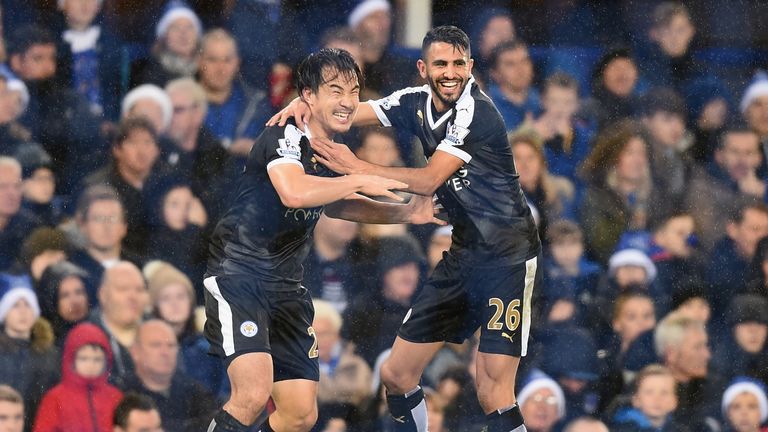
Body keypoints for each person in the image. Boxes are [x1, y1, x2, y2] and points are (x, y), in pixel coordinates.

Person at [272, 25, 543, 432]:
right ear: (423, 68)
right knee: (397, 375)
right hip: (464, 252)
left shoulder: (478, 112)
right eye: (440, 63)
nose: (450, 72)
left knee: (492, 390)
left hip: (508, 256)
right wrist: (306, 103)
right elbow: (349, 111)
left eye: (458, 64)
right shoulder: (412, 102)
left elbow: (429, 180)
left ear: (469, 67)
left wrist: (357, 167)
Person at [204, 48, 438, 432]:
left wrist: (408, 212)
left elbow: (340, 206)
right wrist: (360, 177)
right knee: (251, 394)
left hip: (286, 287)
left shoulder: (331, 150)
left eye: (354, 91)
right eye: (335, 91)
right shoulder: (285, 132)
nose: (348, 102)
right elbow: (293, 192)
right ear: (308, 95)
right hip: (240, 275)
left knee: (299, 415)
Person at [125, 319, 217, 431]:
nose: (165, 352)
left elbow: (214, 423)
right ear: (135, 352)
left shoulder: (193, 389)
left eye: (171, 345)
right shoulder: (122, 392)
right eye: (156, 345)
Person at [33, 322, 123, 432]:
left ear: (107, 362)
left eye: (97, 359)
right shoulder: (55, 398)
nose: (91, 365)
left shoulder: (115, 396)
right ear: (71, 359)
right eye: (83, 358)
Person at [610, 364, 684, 432]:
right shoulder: (622, 428)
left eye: (664, 393)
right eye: (649, 392)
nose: (657, 399)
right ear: (636, 400)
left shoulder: (678, 429)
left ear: (674, 401)